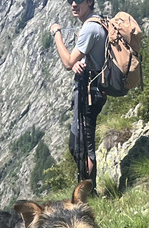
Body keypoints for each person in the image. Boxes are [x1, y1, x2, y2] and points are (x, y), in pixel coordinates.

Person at [50, 0, 108, 184]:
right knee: (79, 142)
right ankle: (87, 187)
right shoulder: (99, 21)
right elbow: (89, 57)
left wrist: (56, 34)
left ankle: (90, 192)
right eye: (70, 1)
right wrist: (79, 63)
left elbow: (67, 63)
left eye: (79, 1)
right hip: (96, 88)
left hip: (88, 91)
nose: (73, 4)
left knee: (82, 144)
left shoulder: (90, 28)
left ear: (90, 1)